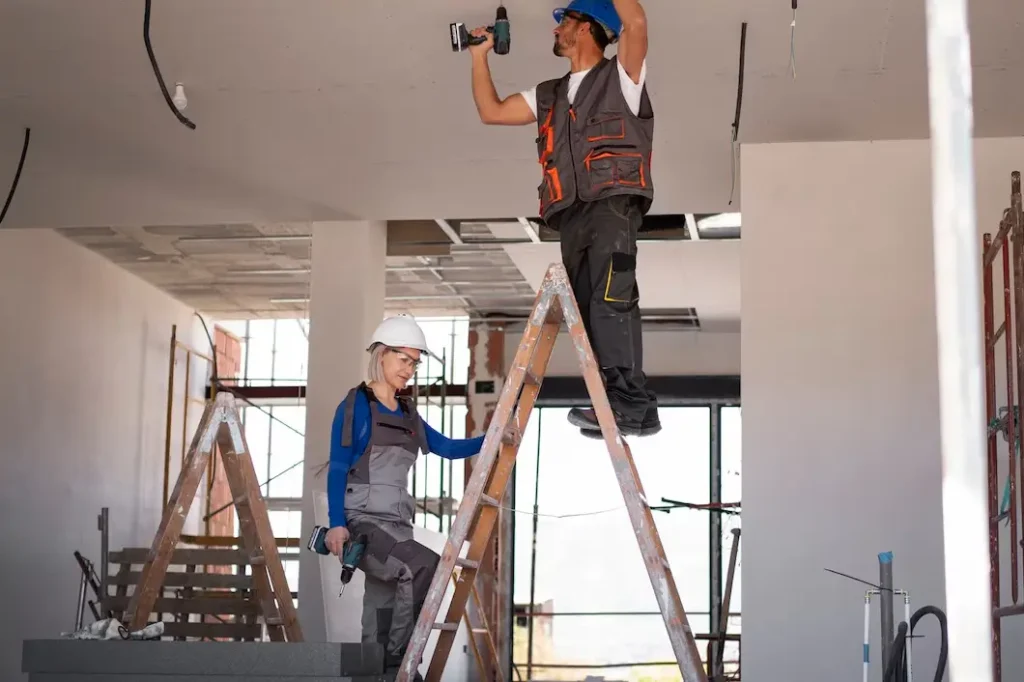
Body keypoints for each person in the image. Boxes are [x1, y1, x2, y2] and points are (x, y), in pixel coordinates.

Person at [467, 0, 660, 439]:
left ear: (589, 28)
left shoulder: (622, 78)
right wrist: (479, 58)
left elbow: (636, 21)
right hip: (570, 213)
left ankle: (626, 400)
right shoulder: (548, 93)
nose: (556, 29)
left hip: (613, 203)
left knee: (612, 298)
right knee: (588, 310)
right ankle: (638, 408)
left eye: (564, 21)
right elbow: (492, 111)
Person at [324, 314, 486, 676]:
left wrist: (492, 440)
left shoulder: (409, 413)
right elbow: (337, 467)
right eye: (404, 359)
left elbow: (446, 446)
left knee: (381, 614)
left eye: (415, 362)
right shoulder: (355, 407)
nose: (410, 369)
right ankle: (402, 665)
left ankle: (376, 673)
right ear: (382, 354)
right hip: (364, 524)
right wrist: (337, 524)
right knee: (424, 566)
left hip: (398, 527)